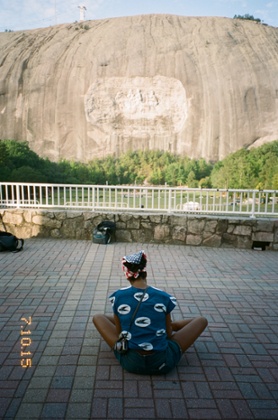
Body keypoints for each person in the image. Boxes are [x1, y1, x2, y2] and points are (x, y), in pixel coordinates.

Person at [93, 250, 208, 375]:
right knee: (201, 320)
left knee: (98, 317)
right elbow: (169, 336)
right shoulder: (163, 297)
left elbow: (120, 334)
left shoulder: (118, 297)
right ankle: (169, 324)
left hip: (131, 362)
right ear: (145, 273)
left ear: (127, 276)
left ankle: (142, 323)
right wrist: (168, 327)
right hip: (162, 363)